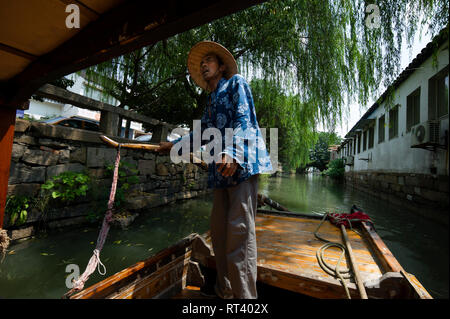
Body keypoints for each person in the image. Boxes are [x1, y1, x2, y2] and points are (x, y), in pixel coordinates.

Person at [157, 41, 272, 299]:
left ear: (221, 66)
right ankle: (224, 293)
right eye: (201, 63)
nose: (203, 64)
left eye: (209, 60)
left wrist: (233, 152)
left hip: (240, 167)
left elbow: (245, 121)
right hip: (220, 173)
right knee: (220, 236)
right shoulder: (210, 101)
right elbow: (200, 136)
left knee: (239, 236)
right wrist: (172, 146)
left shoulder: (236, 83)